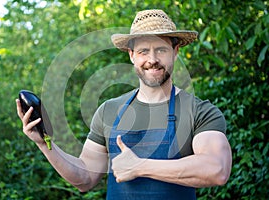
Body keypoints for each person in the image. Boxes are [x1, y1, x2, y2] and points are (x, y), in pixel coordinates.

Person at [16, 9, 232, 200]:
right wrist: (45, 143)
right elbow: (84, 178)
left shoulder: (200, 111)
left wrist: (139, 167)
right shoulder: (109, 111)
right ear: (131, 55)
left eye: (161, 49)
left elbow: (217, 169)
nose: (152, 59)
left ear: (175, 52)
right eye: (143, 51)